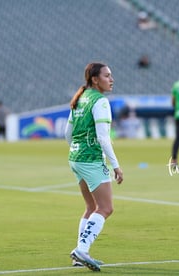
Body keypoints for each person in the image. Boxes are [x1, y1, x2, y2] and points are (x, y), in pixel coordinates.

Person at [65, 62, 124, 271]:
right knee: (106, 208)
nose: (112, 79)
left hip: (76, 157)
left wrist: (76, 151)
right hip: (90, 159)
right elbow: (103, 137)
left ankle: (80, 255)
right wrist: (116, 165)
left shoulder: (80, 98)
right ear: (95, 79)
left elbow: (67, 133)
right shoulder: (100, 101)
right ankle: (81, 249)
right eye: (107, 76)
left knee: (91, 207)